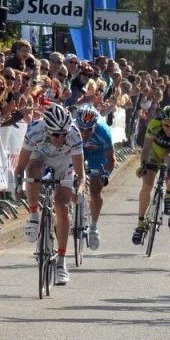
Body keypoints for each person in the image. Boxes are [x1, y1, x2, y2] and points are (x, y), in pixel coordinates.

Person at [14, 104, 85, 285]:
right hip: (41, 158)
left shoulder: (75, 135)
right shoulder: (35, 131)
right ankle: (33, 214)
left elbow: (80, 173)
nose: (61, 138)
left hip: (64, 163)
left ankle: (61, 262)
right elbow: (20, 167)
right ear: (47, 129)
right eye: (56, 135)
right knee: (32, 169)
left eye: (64, 135)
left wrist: (78, 189)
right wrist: (17, 185)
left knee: (61, 205)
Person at [132, 103, 170, 245]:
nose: (169, 129)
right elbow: (146, 146)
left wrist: (169, 159)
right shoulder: (154, 124)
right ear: (161, 121)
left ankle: (168, 194)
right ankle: (140, 224)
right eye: (166, 125)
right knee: (147, 185)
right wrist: (143, 165)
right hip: (154, 152)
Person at [74, 105, 116, 250]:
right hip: (79, 151)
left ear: (95, 125)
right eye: (82, 129)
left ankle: (93, 226)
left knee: (95, 191)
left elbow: (111, 160)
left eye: (89, 130)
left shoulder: (103, 133)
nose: (85, 133)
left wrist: (105, 174)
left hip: (97, 155)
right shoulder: (71, 130)